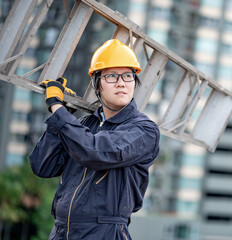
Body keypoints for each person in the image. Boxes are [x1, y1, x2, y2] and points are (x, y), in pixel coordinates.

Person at [29, 39, 160, 240]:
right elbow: (42, 166)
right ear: (96, 84)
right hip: (62, 232)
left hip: (104, 233)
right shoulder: (81, 126)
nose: (121, 82)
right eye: (111, 76)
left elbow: (95, 152)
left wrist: (57, 108)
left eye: (127, 75)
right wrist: (60, 121)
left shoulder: (144, 130)